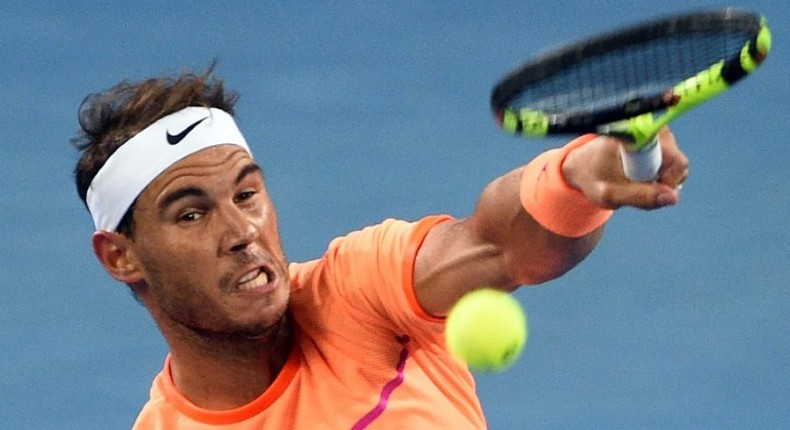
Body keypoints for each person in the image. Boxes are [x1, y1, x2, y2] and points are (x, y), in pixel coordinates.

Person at [72, 67, 688, 429]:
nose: (242, 232)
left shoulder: (359, 289)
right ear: (120, 256)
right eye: (191, 212)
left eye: (247, 194)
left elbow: (503, 246)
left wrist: (574, 178)